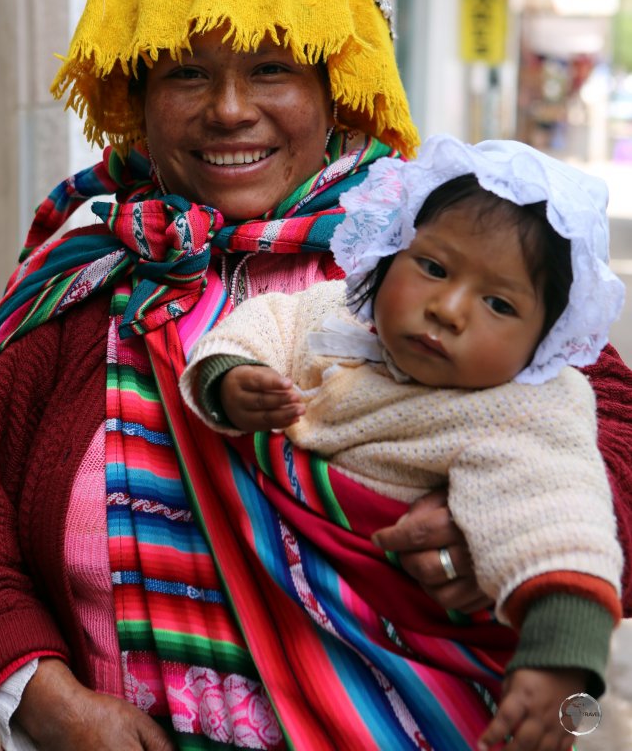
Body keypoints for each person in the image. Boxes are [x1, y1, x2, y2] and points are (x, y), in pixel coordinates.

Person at [0, 0, 630, 751]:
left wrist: (494, 541)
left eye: (272, 68)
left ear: (334, 85)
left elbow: (602, 435)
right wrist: (40, 698)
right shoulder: (80, 287)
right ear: (138, 94)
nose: (230, 108)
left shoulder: (433, 250)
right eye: (185, 72)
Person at [179, 133, 625, 751]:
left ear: (544, 339)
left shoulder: (525, 411)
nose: (448, 308)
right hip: (280, 621)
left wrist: (557, 662)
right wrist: (230, 378)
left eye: (498, 303)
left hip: (413, 646)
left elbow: (558, 523)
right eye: (433, 268)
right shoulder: (336, 313)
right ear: (387, 253)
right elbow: (261, 324)